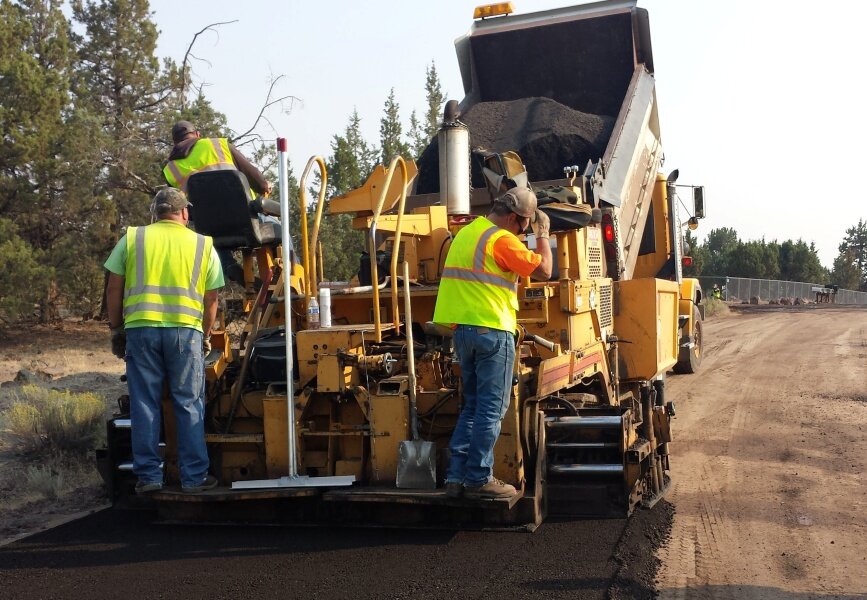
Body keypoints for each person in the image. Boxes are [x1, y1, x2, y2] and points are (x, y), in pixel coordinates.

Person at [432, 187, 552, 499]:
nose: (522, 231)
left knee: (472, 407)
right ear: (513, 217)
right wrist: (542, 234)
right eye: (524, 225)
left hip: (464, 333)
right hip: (492, 332)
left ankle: (456, 478)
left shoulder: (468, 233)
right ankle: (479, 478)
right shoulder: (501, 239)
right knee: (490, 409)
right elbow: (545, 270)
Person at [104, 188, 225, 494]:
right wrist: (206, 335)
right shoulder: (203, 244)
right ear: (185, 213)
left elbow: (114, 288)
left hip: (141, 331)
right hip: (185, 333)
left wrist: (117, 328)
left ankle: (148, 476)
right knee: (189, 403)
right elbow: (212, 298)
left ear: (155, 213)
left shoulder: (133, 238)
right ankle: (194, 478)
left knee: (144, 404)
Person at [163, 121, 273, 284]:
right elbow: (261, 184)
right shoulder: (219, 145)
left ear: (174, 141)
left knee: (208, 238)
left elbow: (180, 209)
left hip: (210, 230)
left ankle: (230, 267)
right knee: (281, 230)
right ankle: (292, 278)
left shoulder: (170, 169)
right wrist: (265, 186)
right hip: (247, 222)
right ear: (198, 135)